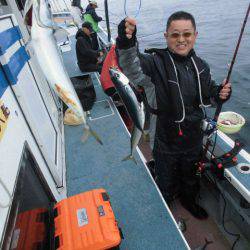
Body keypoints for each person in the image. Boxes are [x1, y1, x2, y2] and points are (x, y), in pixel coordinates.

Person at [115, 11, 232, 220]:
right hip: (164, 139)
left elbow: (209, 95)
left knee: (190, 174)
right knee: (165, 175)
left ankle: (189, 200)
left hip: (193, 137)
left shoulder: (201, 66)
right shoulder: (153, 63)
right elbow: (130, 65)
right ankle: (165, 200)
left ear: (195, 35)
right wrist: (126, 41)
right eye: (175, 35)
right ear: (166, 36)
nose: (181, 40)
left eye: (186, 34)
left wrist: (220, 94)